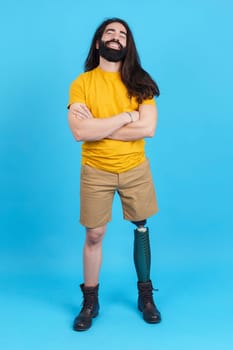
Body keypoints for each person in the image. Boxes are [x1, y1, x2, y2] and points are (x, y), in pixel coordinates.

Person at [68, 17, 161, 331]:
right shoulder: (82, 83)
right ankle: (90, 300)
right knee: (94, 235)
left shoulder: (141, 82)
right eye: (110, 32)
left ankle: (145, 294)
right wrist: (125, 116)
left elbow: (148, 128)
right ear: (98, 42)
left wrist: (100, 126)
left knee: (141, 228)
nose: (116, 37)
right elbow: (79, 131)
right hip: (96, 170)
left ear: (127, 45)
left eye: (123, 34)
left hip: (135, 168)